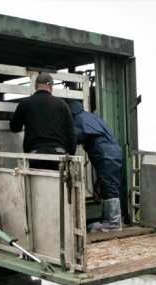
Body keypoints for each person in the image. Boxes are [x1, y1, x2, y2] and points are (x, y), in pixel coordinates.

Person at [67, 99, 125, 232]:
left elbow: (76, 136)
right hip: (113, 151)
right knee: (109, 185)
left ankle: (114, 224)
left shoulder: (79, 120)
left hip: (105, 153)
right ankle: (108, 220)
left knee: (109, 186)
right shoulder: (91, 117)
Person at [9, 72, 77, 170]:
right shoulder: (62, 105)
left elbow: (14, 127)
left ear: (35, 86)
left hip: (35, 154)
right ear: (51, 87)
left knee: (36, 184)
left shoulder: (25, 103)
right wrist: (70, 155)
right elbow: (72, 133)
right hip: (59, 155)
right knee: (59, 185)